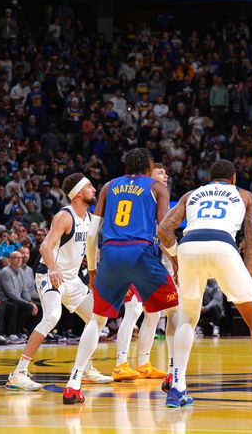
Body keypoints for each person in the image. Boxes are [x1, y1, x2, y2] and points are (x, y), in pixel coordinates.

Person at [157, 159, 252, 409]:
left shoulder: (191, 194)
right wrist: (247, 280)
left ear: (209, 180)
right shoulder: (244, 195)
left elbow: (164, 228)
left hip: (189, 246)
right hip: (222, 245)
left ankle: (177, 388)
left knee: (187, 319)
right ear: (233, 180)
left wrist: (176, 258)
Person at [63, 148, 179, 405]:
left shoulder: (109, 186)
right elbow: (164, 230)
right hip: (141, 254)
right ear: (149, 167)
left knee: (97, 320)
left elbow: (93, 234)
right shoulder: (157, 187)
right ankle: (174, 375)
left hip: (111, 254)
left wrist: (93, 269)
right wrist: (175, 259)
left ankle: (73, 382)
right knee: (173, 310)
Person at [6, 173, 113, 391]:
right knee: (53, 316)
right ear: (78, 193)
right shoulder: (65, 216)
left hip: (72, 279)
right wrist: (54, 268)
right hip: (49, 273)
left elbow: (92, 249)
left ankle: (86, 368)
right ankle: (18, 372)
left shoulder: (89, 218)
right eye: (90, 186)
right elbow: (45, 247)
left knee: (98, 317)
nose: (94, 189)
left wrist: (93, 273)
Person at [112, 163, 174, 383]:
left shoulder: (159, 201)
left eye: (166, 173)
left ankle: (143, 363)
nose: (165, 176)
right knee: (133, 310)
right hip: (129, 259)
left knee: (154, 313)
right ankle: (120, 364)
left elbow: (163, 238)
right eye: (161, 172)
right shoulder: (142, 197)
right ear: (149, 175)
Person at [0, 249, 38, 342]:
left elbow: (24, 290)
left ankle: (26, 331)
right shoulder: (6, 272)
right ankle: (12, 333)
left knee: (38, 307)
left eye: (20, 258)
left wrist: (30, 301)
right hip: (5, 299)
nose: (19, 260)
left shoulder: (21, 271)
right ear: (10, 260)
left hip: (16, 299)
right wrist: (27, 303)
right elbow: (11, 294)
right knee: (20, 307)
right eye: (16, 258)